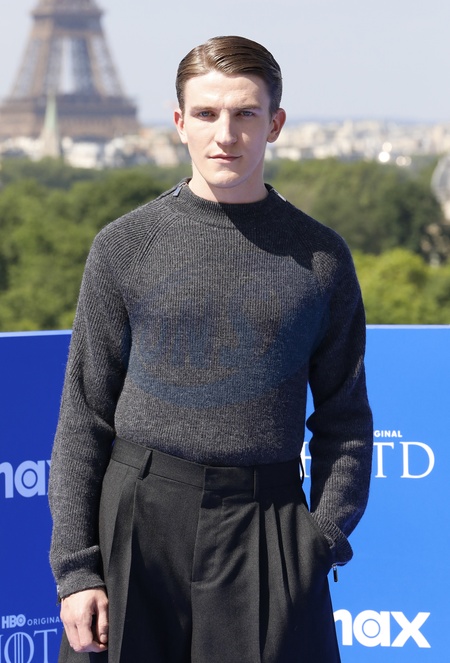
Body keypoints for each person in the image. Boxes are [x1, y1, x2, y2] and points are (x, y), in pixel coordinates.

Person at [49, 35, 373, 663]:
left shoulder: (321, 256)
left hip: (269, 528)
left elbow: (346, 419)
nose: (225, 134)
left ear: (274, 123)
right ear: (179, 122)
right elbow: (83, 417)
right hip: (136, 524)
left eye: (245, 113)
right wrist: (77, 570)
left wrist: (320, 540)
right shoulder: (124, 246)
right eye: (206, 113)